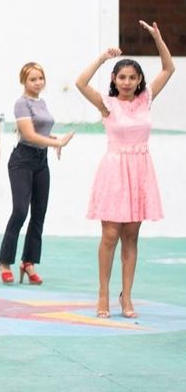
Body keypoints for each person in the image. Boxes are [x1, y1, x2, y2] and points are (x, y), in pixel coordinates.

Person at [75, 21, 174, 319]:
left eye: (132, 77)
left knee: (131, 236)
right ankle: (103, 293)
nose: (127, 82)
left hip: (140, 172)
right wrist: (102, 58)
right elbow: (80, 83)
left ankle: (127, 297)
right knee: (110, 235)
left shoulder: (146, 99)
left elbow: (168, 69)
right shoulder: (107, 104)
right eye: (122, 77)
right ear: (114, 79)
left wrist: (158, 39)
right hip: (114, 172)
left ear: (139, 79)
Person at [0, 63, 75, 285]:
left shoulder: (42, 103)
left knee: (39, 212)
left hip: (41, 160)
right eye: (32, 79)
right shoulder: (21, 104)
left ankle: (28, 262)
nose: (38, 83)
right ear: (24, 81)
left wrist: (52, 140)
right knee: (20, 211)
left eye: (40, 78)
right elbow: (29, 135)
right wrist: (56, 143)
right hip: (22, 160)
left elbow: (41, 132)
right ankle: (4, 261)